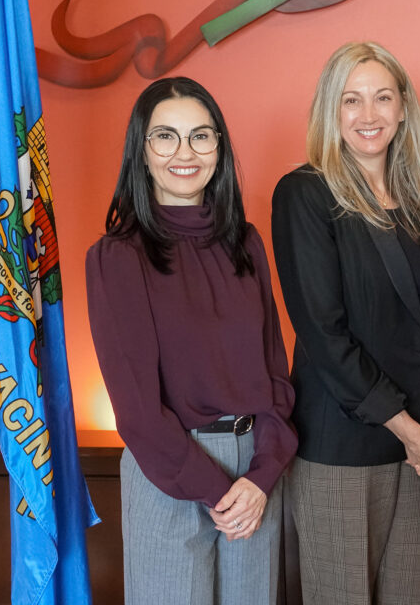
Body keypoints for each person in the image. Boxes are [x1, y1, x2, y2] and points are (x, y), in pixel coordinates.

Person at [86, 77, 297, 605]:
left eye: (201, 136)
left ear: (219, 148)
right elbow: (136, 409)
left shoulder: (246, 243)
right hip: (169, 472)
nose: (185, 152)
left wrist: (261, 476)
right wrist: (217, 490)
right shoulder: (118, 257)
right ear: (143, 150)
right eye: (166, 136)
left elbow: (275, 374)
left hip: (254, 475)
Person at [271, 41, 420, 605]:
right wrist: (413, 435)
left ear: (404, 107)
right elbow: (324, 336)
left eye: (383, 97)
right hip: (343, 445)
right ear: (330, 112)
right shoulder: (305, 193)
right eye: (351, 100)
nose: (369, 114)